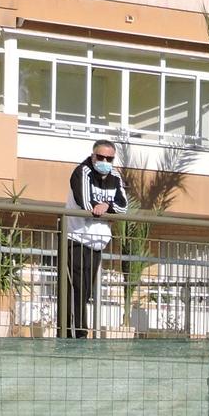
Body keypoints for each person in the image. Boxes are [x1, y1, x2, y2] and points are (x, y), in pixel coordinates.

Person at [66, 139, 129, 339]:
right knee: (76, 287)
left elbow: (123, 206)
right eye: (100, 157)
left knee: (85, 290)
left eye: (108, 158)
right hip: (76, 238)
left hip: (97, 243)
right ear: (93, 156)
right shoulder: (82, 172)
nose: (104, 161)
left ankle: (78, 332)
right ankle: (76, 333)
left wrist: (106, 207)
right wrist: (100, 206)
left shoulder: (115, 176)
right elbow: (84, 201)